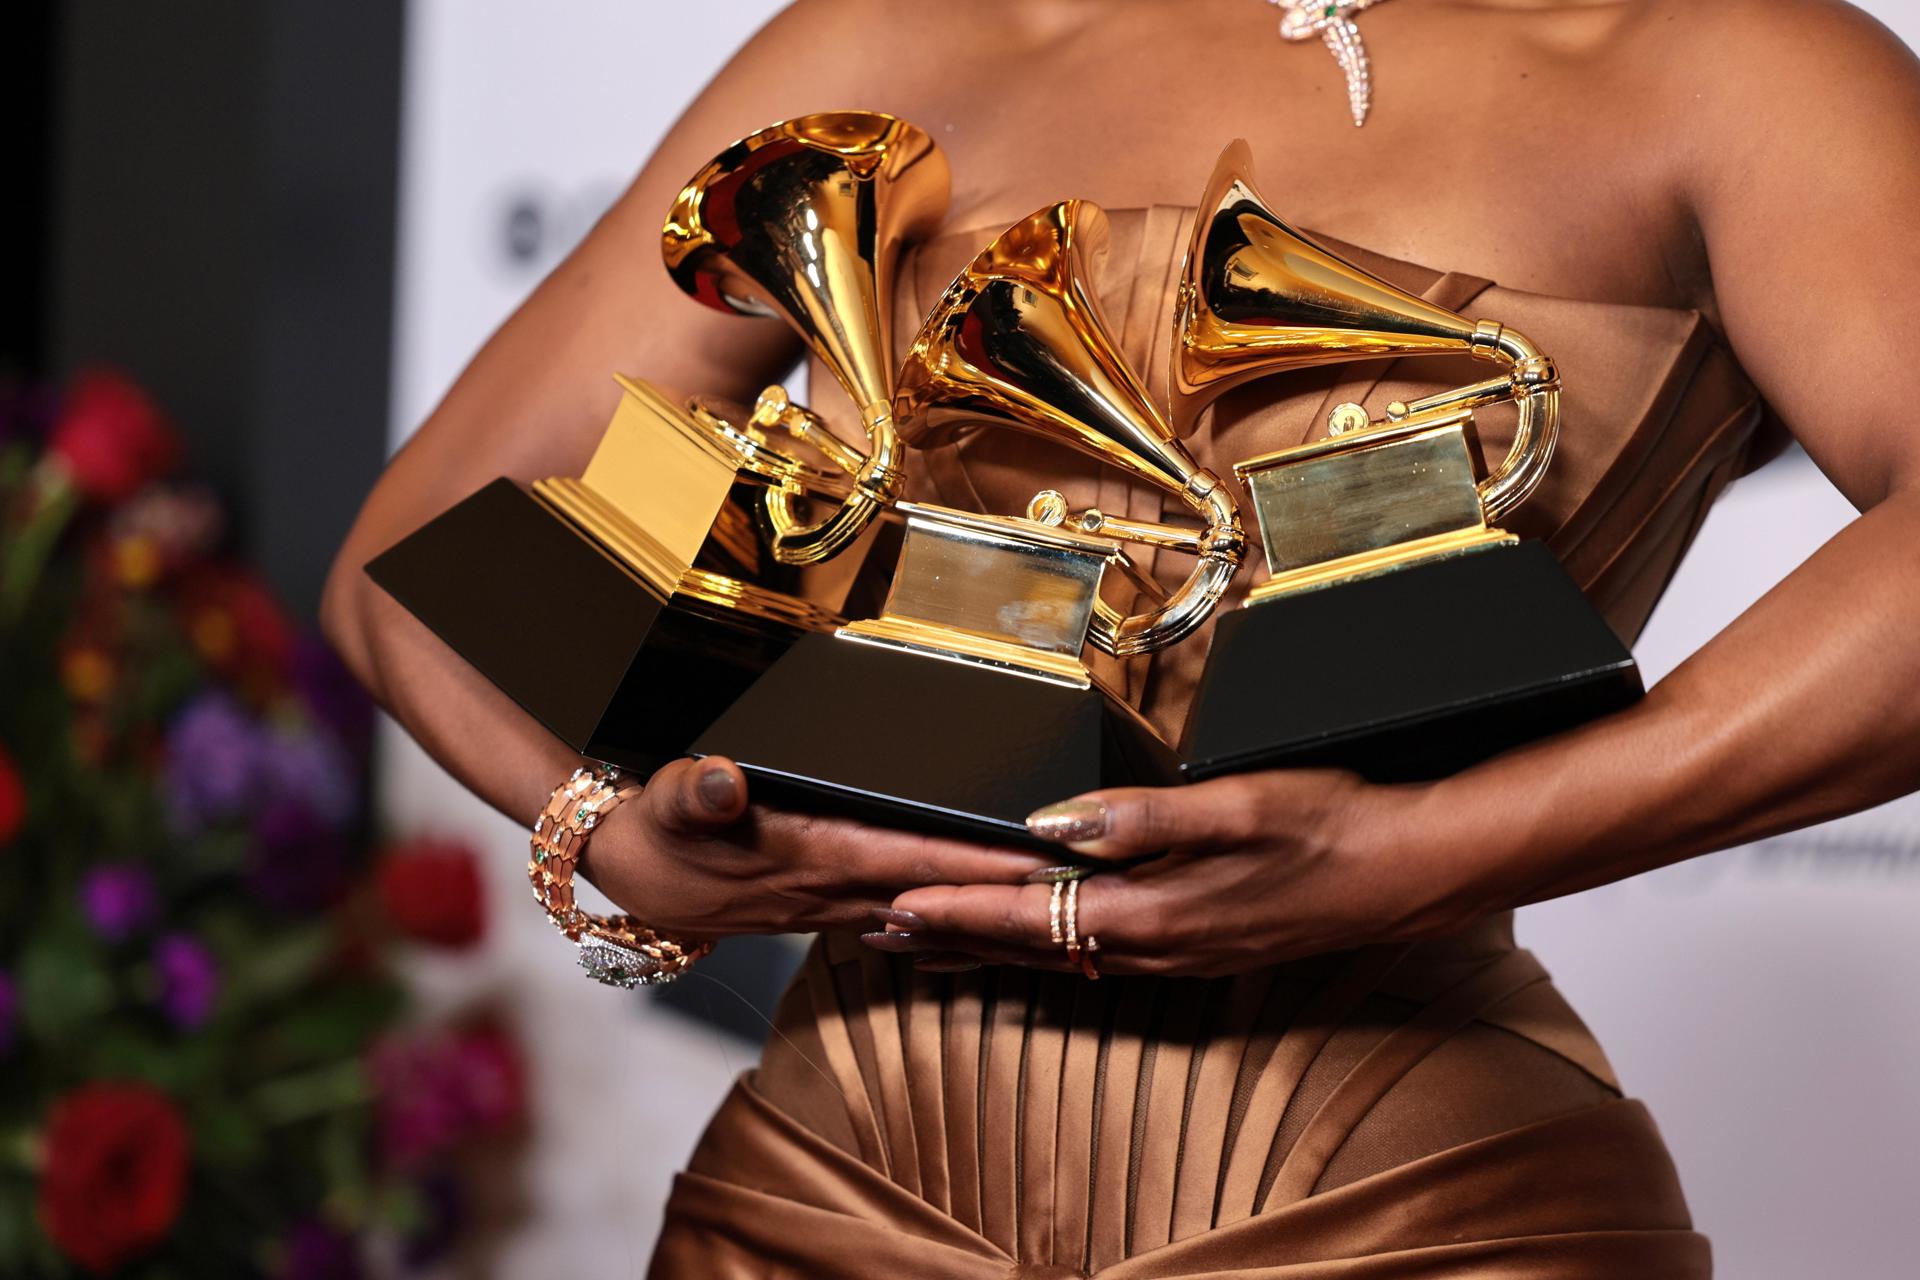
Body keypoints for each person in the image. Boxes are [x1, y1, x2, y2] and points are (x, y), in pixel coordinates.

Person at [323, 1, 1920, 1274]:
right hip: (822, 1200)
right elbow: (420, 547)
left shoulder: (1729, 61)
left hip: (1415, 1207)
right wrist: (603, 835)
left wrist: (1426, 848)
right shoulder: (903, 36)